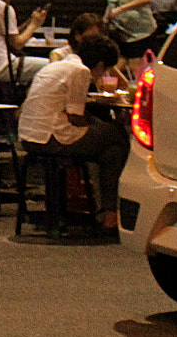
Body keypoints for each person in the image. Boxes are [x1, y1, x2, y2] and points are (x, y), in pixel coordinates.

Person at [17, 33, 129, 230]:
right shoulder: (81, 71)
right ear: (101, 64)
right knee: (118, 136)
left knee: (112, 151)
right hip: (51, 137)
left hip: (29, 135)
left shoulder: (57, 66)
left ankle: (109, 212)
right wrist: (98, 125)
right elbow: (76, 117)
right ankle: (112, 212)